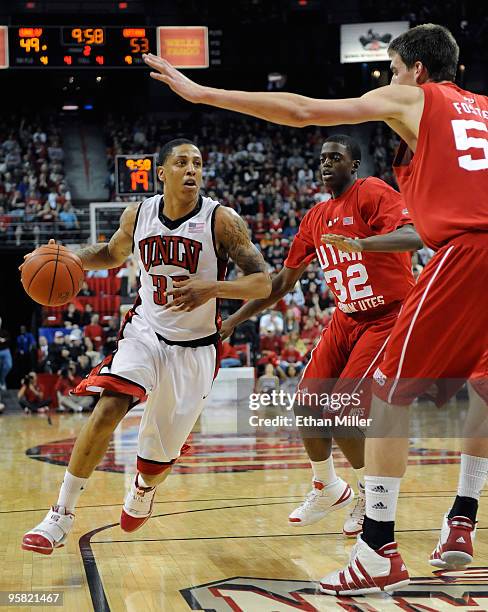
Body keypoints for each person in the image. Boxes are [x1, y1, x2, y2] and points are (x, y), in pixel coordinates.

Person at [143, 24, 488, 593]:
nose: (392, 81)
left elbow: (303, 110)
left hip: (464, 252)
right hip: (425, 279)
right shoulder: (480, 110)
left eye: (395, 70)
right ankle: (460, 518)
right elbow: (280, 280)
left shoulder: (417, 98)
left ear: (417, 71)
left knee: (380, 399)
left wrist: (205, 94)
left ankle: (378, 547)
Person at [21, 138, 271, 555]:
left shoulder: (221, 221)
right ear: (162, 173)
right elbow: (109, 253)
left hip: (195, 349)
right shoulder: (138, 215)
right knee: (107, 408)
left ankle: (143, 487)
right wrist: (67, 257)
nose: (191, 170)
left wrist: (214, 287)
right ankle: (60, 515)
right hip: (146, 333)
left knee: (157, 461)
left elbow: (263, 282)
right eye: (182, 163)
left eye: (197, 163)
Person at [222, 134, 420, 538]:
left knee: (344, 410)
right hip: (346, 318)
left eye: (336, 157)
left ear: (355, 164)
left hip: (388, 316)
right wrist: (234, 321)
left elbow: (417, 234)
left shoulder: (372, 192)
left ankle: (368, 495)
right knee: (306, 403)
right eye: (323, 158)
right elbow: (280, 284)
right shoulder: (314, 218)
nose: (326, 163)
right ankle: (328, 485)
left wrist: (363, 243)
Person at [0, 318, 12, 391]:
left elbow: (9, 339)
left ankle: (2, 379)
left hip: (5, 350)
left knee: (9, 365)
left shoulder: (4, 332)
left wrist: (3, 340)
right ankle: (2, 382)